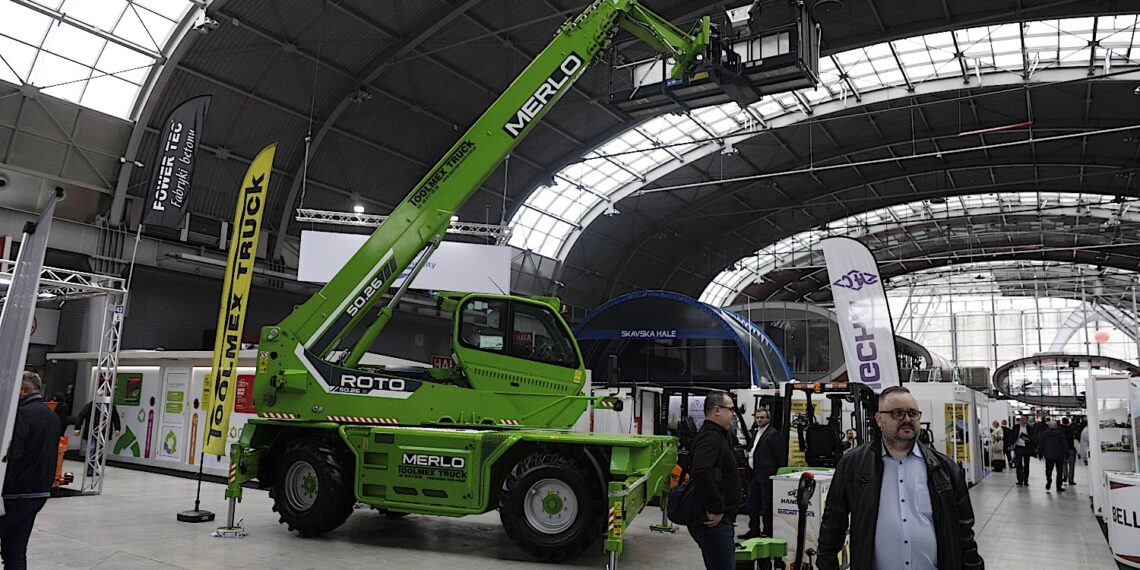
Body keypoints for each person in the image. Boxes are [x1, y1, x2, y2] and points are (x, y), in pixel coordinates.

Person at [816, 386, 983, 570]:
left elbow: (964, 532)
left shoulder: (944, 468)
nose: (907, 419)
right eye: (897, 413)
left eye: (912, 413)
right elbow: (833, 523)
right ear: (879, 419)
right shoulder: (854, 465)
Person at [1, 372, 62, 569]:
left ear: (26, 390)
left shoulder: (21, 414)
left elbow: (14, 455)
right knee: (15, 551)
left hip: (15, 493)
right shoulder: (51, 416)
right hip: (39, 492)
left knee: (14, 550)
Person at [686, 391, 743, 570]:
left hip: (721, 520)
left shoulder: (717, 435)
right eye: (730, 409)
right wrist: (717, 508)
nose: (733, 414)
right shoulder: (711, 437)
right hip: (715, 522)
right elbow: (701, 471)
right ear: (717, 410)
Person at [741, 408, 783, 540]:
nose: (759, 419)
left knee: (766, 505)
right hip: (754, 474)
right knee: (752, 503)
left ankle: (767, 530)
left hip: (766, 475)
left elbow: (779, 456)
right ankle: (753, 529)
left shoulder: (773, 434)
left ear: (768, 419)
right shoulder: (756, 432)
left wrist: (774, 474)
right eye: (757, 417)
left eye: (762, 417)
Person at [1039, 420, 1067, 492]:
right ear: (1056, 426)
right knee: (1059, 471)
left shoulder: (1044, 434)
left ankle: (1049, 481)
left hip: (1048, 455)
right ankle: (1058, 486)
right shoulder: (1060, 433)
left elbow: (1041, 444)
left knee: (1048, 470)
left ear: (1049, 426)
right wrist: (1066, 453)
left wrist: (1040, 452)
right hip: (1059, 455)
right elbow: (1064, 444)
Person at [1012, 416, 1035, 486]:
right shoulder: (1015, 427)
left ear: (1026, 420)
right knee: (1018, 464)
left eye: (1023, 419)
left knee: (1026, 464)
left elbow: (1034, 437)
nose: (1021, 420)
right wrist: (1011, 444)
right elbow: (1012, 436)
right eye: (1021, 419)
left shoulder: (1030, 428)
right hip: (1018, 447)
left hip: (1026, 447)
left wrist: (1028, 439)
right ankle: (1020, 480)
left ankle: (1026, 480)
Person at [1061, 417, 1077, 485]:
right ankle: (1071, 480)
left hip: (1062, 449)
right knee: (1071, 465)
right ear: (1068, 422)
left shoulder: (1060, 430)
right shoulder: (1072, 430)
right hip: (1071, 448)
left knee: (1063, 464)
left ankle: (1065, 476)